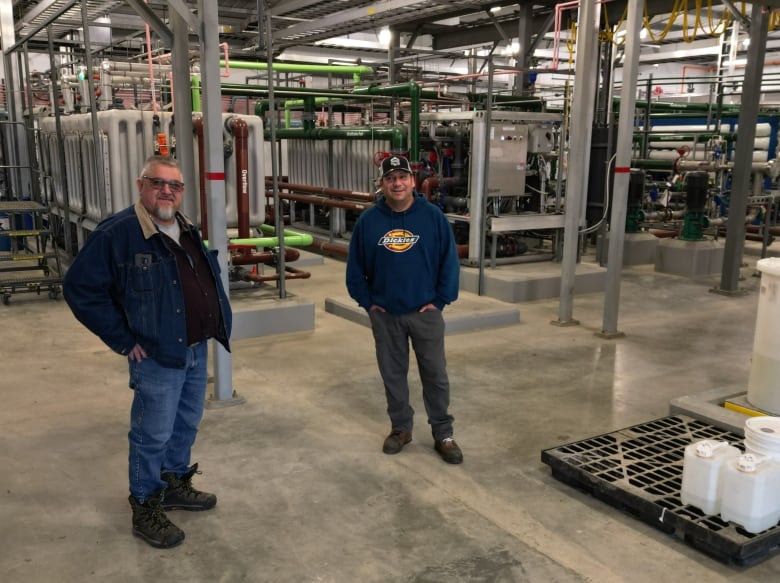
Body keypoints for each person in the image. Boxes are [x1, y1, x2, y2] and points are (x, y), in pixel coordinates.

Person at [63, 155, 232, 548]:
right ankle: (145, 504)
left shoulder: (186, 228)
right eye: (158, 183)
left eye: (174, 185)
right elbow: (80, 289)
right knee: (151, 433)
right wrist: (123, 338)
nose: (167, 191)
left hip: (194, 349)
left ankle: (174, 484)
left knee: (185, 425)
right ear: (142, 185)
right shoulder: (118, 233)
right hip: (156, 355)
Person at [346, 155, 463, 464]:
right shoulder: (369, 222)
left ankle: (443, 433)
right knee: (393, 375)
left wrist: (439, 301)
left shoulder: (433, 217)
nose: (396, 183)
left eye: (402, 177)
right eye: (390, 178)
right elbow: (355, 270)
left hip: (425, 313)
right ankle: (401, 429)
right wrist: (369, 304)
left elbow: (449, 263)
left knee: (436, 375)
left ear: (413, 181)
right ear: (382, 184)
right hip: (386, 315)